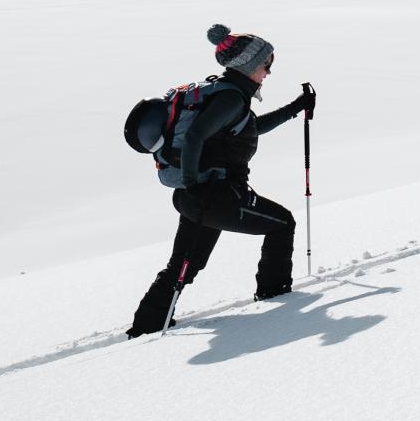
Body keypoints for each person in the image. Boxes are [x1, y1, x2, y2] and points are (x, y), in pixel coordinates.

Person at [127, 26, 316, 337]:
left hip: (196, 196)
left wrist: (295, 108)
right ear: (248, 66)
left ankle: (146, 326)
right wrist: (194, 183)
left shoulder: (224, 93)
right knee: (282, 224)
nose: (268, 72)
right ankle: (276, 298)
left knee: (185, 264)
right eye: (265, 65)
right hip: (213, 196)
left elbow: (251, 127)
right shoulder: (229, 99)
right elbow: (196, 136)